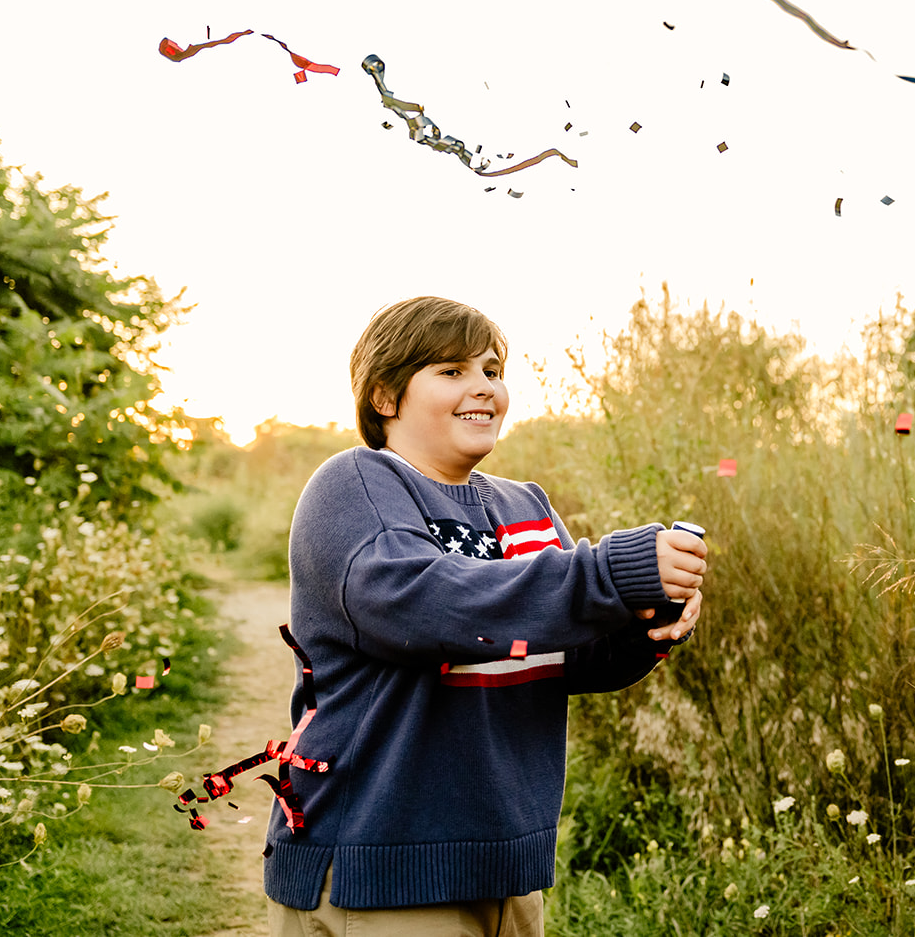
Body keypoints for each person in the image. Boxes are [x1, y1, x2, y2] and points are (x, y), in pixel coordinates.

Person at [265, 296, 707, 937]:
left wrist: (643, 621)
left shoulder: (524, 505)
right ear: (386, 397)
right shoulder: (355, 485)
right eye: (451, 371)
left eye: (492, 370)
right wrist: (608, 573)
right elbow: (419, 605)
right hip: (374, 869)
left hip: (507, 871)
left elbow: (567, 655)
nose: (484, 389)